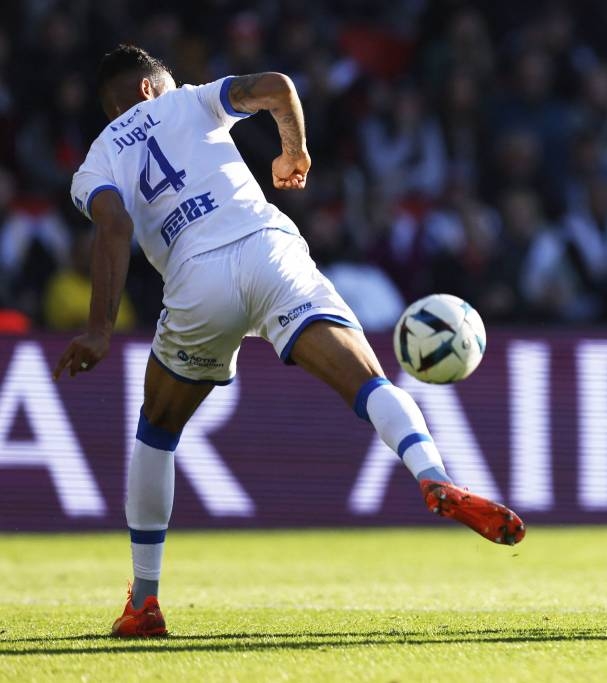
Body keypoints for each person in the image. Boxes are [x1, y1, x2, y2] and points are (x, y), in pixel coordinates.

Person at [54, 44, 525, 638]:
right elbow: (276, 85)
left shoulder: (95, 163)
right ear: (150, 88)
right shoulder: (191, 101)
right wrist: (293, 151)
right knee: (368, 382)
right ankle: (433, 476)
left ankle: (144, 602)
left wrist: (100, 328)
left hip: (196, 283)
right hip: (266, 247)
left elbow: (114, 228)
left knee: (158, 430)